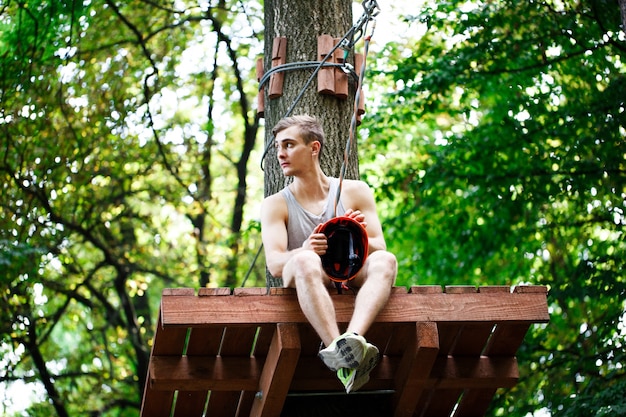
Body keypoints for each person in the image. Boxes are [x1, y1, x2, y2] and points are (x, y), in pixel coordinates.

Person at [260, 115, 397, 393]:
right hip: (304, 273)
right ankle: (340, 354)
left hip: (349, 272)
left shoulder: (356, 191)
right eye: (278, 147)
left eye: (289, 145)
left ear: (314, 148)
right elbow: (275, 264)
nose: (281, 154)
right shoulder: (276, 205)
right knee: (304, 259)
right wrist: (306, 249)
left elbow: (379, 246)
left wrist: (355, 232)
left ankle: (353, 338)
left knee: (387, 260)